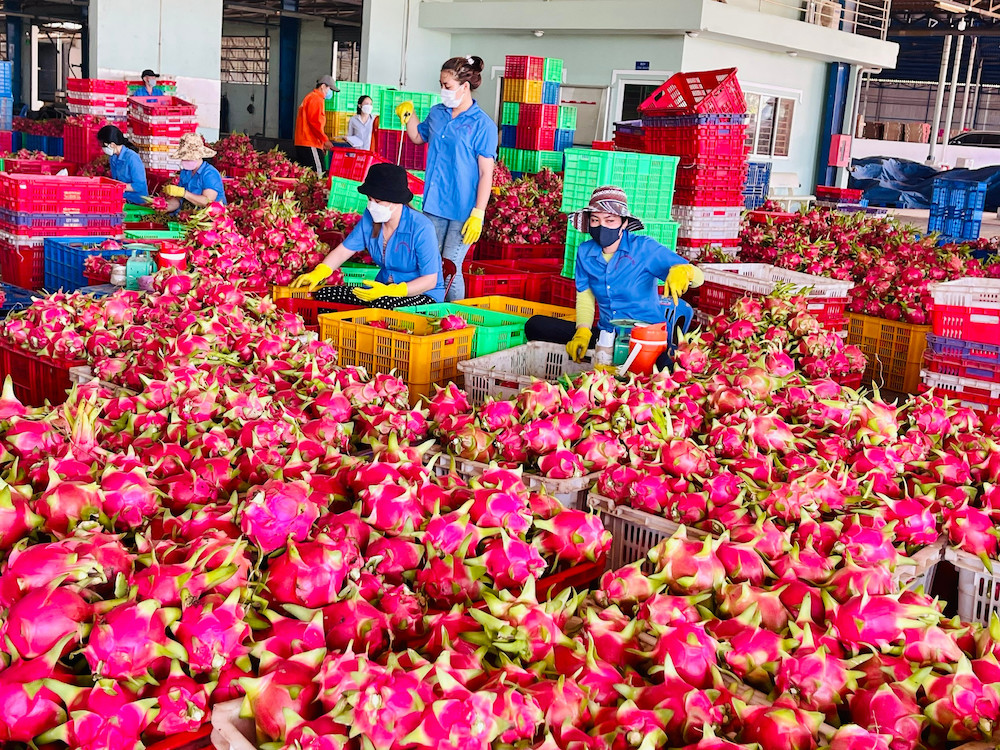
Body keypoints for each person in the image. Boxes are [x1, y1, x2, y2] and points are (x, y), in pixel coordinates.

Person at [524, 186, 704, 367]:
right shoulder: (585, 252)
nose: (602, 226)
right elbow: (585, 297)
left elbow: (699, 279)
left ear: (624, 223)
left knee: (666, 367)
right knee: (536, 325)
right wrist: (583, 331)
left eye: (610, 220)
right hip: (607, 336)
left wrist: (685, 271)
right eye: (595, 220)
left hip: (647, 338)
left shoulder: (644, 248)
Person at [395, 55, 497, 301]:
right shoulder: (437, 113)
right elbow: (418, 137)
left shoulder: (482, 125)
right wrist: (409, 115)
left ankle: (454, 314)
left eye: (447, 86)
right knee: (429, 262)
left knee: (451, 264)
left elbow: (486, 173)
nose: (443, 90)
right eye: (441, 84)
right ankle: (429, 308)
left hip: (464, 209)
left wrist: (478, 213)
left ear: (465, 86)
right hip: (435, 203)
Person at [290, 163, 445, 309]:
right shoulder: (371, 218)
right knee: (325, 294)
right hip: (381, 289)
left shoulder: (421, 228)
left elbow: (430, 280)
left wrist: (394, 291)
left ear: (397, 201)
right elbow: (344, 250)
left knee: (379, 305)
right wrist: (321, 271)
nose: (372, 206)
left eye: (378, 201)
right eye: (369, 200)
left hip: (421, 294)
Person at [162, 133, 227, 210]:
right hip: (189, 213)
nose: (185, 160)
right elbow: (178, 200)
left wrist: (184, 193)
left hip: (210, 215)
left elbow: (207, 201)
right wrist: (165, 207)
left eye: (189, 158)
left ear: (199, 156)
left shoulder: (210, 174)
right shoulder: (185, 172)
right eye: (184, 158)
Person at [294, 75, 339, 176]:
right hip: (310, 142)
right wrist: (324, 140)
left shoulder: (310, 97)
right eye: (329, 89)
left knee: (306, 175)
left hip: (303, 142)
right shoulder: (316, 99)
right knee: (318, 175)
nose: (329, 92)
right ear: (323, 86)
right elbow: (315, 123)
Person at [97, 125, 148, 206]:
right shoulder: (113, 157)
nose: (102, 148)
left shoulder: (132, 158)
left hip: (137, 202)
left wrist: (119, 187)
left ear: (112, 145)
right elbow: (115, 180)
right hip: (121, 200)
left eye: (103, 145)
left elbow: (139, 185)